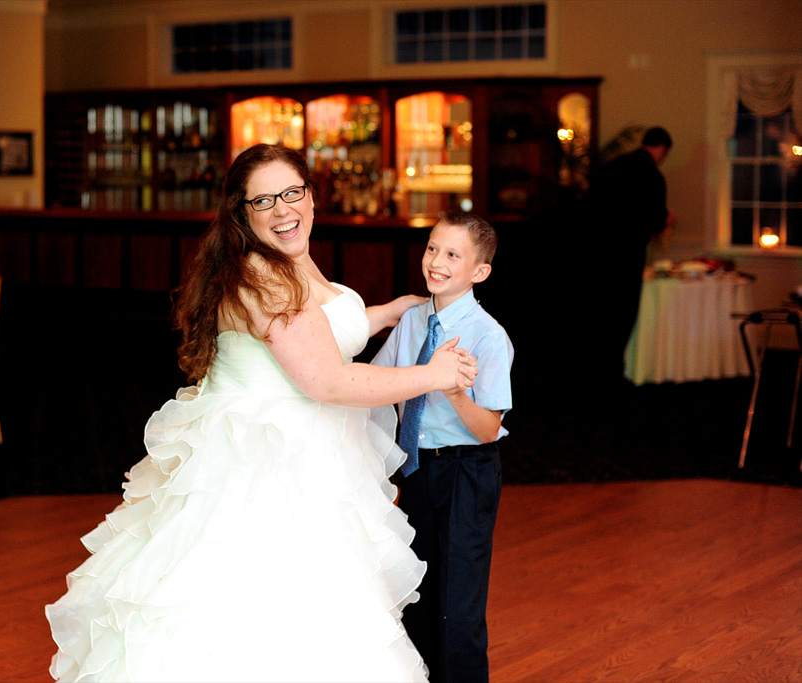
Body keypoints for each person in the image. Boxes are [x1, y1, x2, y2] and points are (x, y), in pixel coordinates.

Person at [45, 144, 480, 683]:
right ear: (242, 214)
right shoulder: (262, 274)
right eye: (264, 200)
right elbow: (327, 378)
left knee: (304, 615)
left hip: (303, 455)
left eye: (292, 192)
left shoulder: (290, 257)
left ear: (312, 196)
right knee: (258, 619)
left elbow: (323, 330)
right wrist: (435, 376)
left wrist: (386, 313)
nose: (283, 208)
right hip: (262, 464)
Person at [371, 211, 514, 683]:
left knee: (459, 607)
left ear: (479, 272)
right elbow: (382, 382)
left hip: (465, 473)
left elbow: (488, 429)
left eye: (452, 254)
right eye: (433, 248)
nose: (436, 261)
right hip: (415, 472)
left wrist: (453, 391)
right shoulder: (413, 320)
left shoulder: (490, 338)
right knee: (417, 594)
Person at [589, 125, 675, 382]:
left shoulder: (613, 167)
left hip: (598, 249)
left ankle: (593, 364)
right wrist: (667, 220)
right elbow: (655, 221)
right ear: (661, 149)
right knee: (623, 310)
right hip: (627, 252)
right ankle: (613, 368)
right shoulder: (652, 176)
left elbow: (592, 204)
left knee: (601, 306)